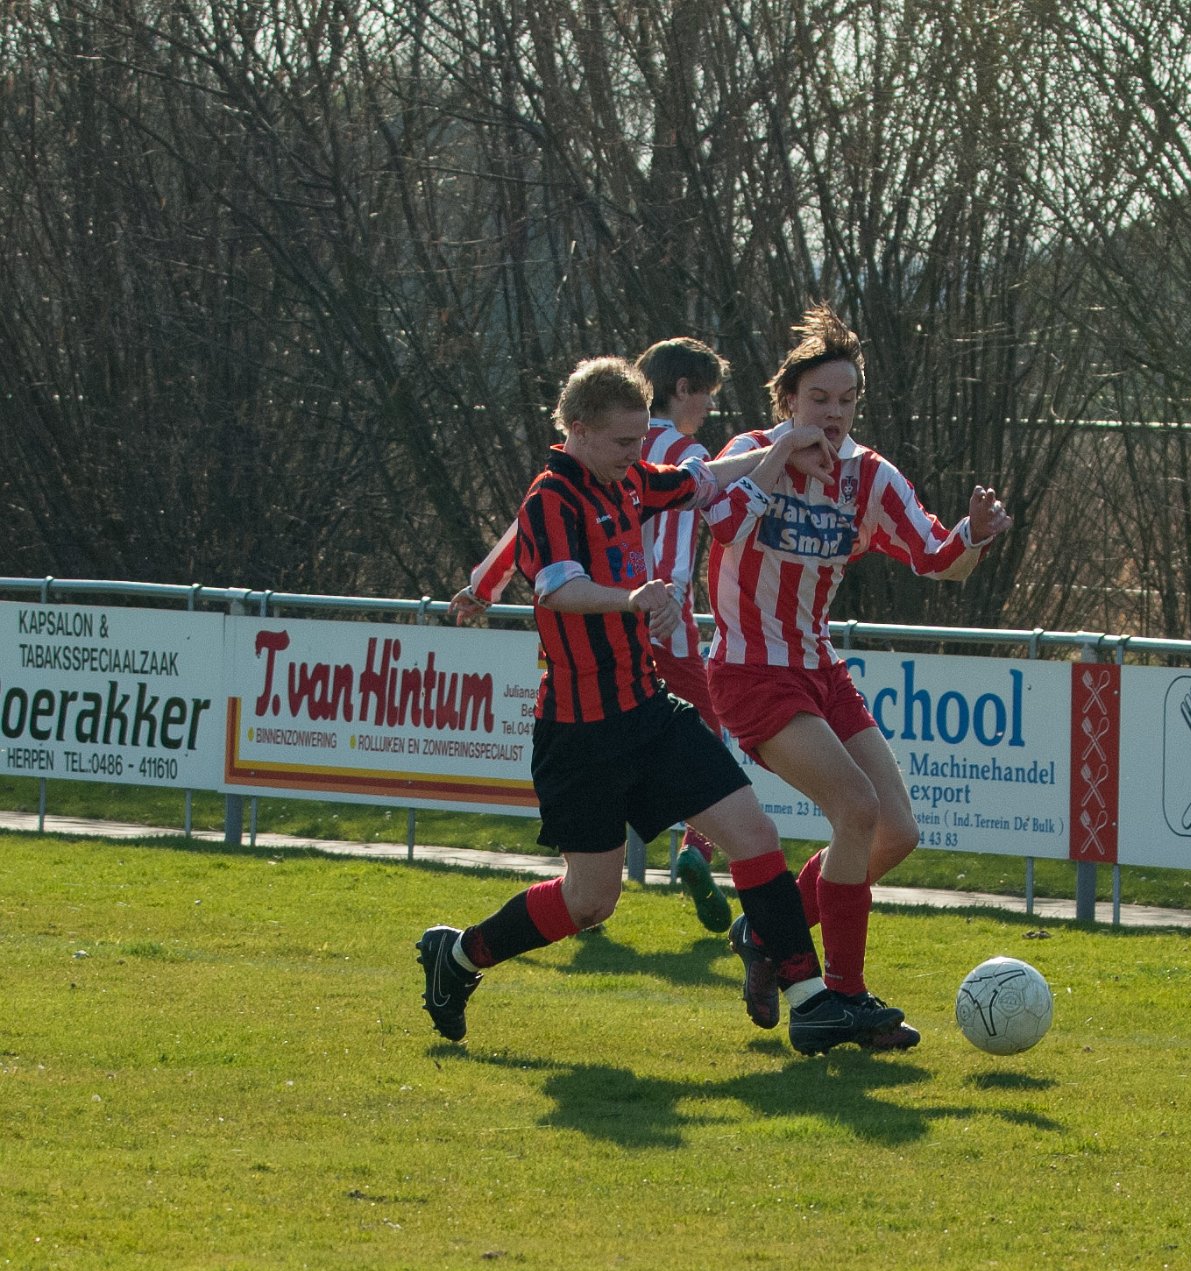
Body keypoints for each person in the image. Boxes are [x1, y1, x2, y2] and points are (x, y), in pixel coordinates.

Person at [417, 356, 909, 1055]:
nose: (635, 453)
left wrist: (783, 445)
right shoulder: (551, 499)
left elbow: (705, 480)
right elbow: (557, 588)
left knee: (755, 835)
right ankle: (459, 955)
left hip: (649, 712)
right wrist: (633, 598)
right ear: (578, 428)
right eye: (624, 441)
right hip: (581, 734)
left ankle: (812, 1002)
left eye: (640, 439)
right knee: (590, 901)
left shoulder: (629, 479)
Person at [704, 306, 1013, 1050]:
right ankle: (840, 995)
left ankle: (766, 934)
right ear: (788, 401)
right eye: (818, 398)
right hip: (751, 670)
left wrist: (974, 533)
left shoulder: (868, 477)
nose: (833, 413)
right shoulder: (748, 453)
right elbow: (719, 523)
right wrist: (779, 455)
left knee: (896, 830)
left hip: (820, 669)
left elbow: (937, 557)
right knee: (855, 806)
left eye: (846, 400)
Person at [450, 338, 735, 934]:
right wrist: (663, 601)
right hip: (653, 635)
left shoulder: (621, 457)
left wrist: (483, 587)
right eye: (706, 395)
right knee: (707, 753)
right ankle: (692, 850)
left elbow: (522, 534)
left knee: (729, 810)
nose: (709, 408)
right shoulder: (656, 457)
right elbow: (664, 551)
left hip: (620, 647)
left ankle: (620, 882)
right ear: (682, 389)